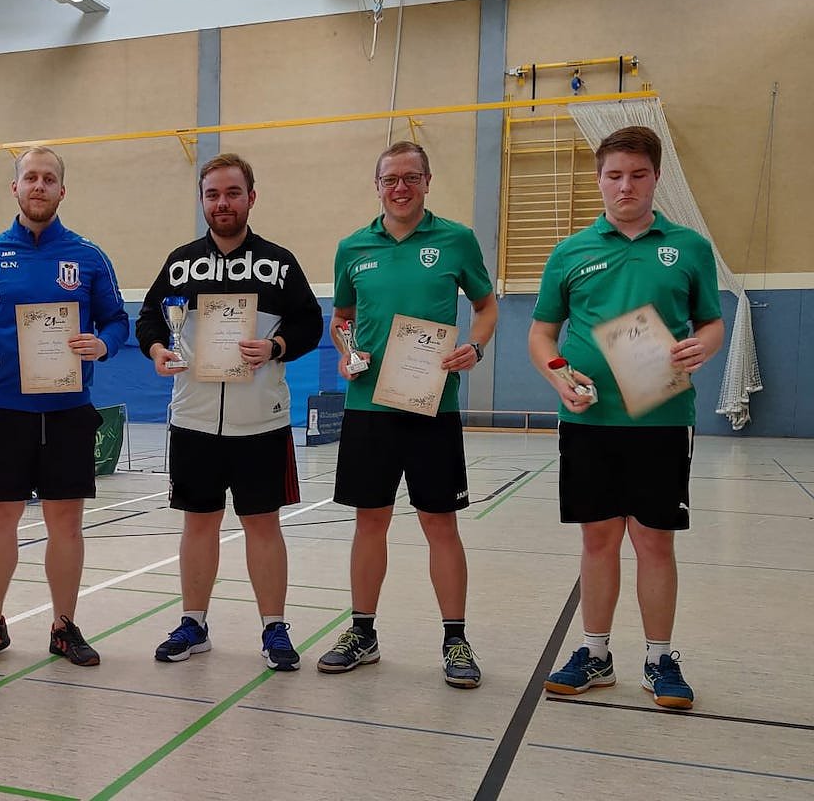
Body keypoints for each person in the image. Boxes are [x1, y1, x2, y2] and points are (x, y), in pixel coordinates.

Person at [530, 126, 723, 710]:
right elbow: (542, 334)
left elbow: (711, 322)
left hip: (662, 418)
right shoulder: (570, 252)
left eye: (638, 175)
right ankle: (595, 653)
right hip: (589, 421)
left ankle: (660, 659)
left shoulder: (689, 247)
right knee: (598, 539)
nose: (625, 186)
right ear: (599, 179)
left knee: (654, 540)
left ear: (656, 177)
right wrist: (558, 375)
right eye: (614, 175)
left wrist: (705, 346)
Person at [319, 141, 497, 688]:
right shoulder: (352, 248)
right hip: (368, 407)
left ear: (427, 181)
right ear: (377, 186)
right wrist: (346, 352)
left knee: (440, 523)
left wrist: (475, 347)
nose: (400, 188)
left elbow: (486, 305)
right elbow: (342, 319)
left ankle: (456, 639)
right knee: (369, 521)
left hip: (432, 405)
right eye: (390, 179)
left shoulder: (457, 240)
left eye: (410, 178)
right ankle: (363, 632)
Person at [135, 153, 323, 671]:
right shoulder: (181, 263)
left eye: (232, 193)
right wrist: (157, 349)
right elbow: (148, 319)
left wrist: (277, 346)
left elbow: (310, 323)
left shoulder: (279, 263)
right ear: (202, 200)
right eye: (213, 194)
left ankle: (274, 628)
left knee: (263, 525)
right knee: (199, 524)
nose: (222, 203)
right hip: (193, 419)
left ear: (251, 198)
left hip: (261, 421)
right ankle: (193, 623)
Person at [0, 146, 129, 667]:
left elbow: (118, 320)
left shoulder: (89, 256)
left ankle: (64, 626)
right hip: (5, 409)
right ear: (16, 188)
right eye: (31, 178)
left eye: (49, 179)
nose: (39, 186)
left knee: (65, 523)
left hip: (69, 410)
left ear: (62, 190)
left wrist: (103, 344)